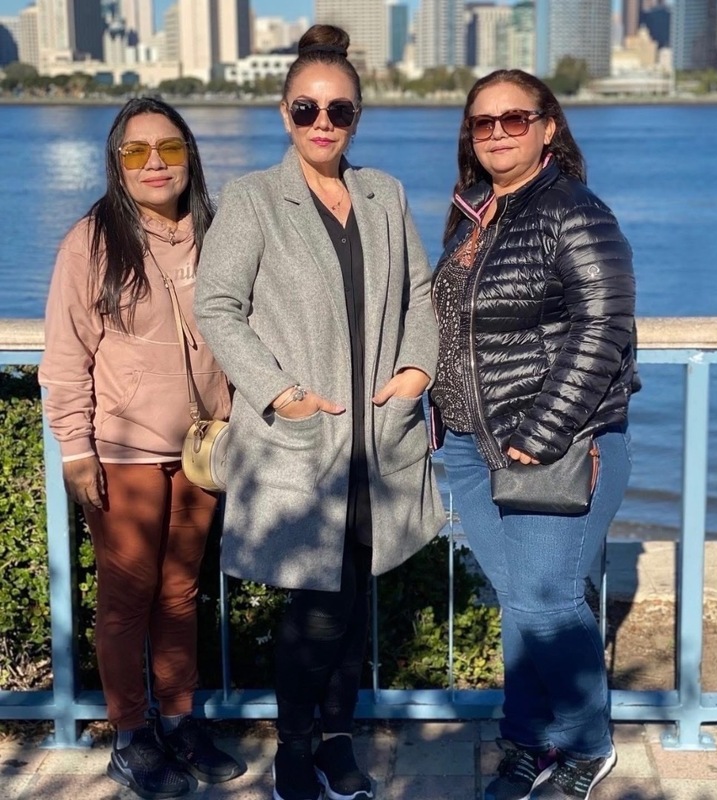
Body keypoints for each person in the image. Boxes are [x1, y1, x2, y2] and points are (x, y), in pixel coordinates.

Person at [193, 24, 445, 800]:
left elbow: (421, 294)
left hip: (378, 439)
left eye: (339, 110)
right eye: (307, 108)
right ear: (285, 112)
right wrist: (279, 392)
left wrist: (416, 370)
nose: (323, 122)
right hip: (304, 439)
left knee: (355, 599)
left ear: (358, 115)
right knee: (316, 608)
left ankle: (338, 741)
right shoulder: (252, 199)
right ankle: (295, 750)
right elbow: (217, 305)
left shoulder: (384, 194)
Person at [430, 70, 638, 800]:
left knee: (546, 598)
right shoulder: (474, 212)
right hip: (468, 445)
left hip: (553, 446)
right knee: (519, 597)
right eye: (482, 122)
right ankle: (527, 738)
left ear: (548, 127)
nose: (497, 133)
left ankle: (586, 743)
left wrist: (545, 430)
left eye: (514, 119)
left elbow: (604, 326)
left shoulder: (575, 211)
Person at [38, 97, 244, 799]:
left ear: (190, 156)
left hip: (203, 449)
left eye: (170, 147)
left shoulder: (217, 233)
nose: (155, 163)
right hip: (122, 451)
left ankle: (180, 722)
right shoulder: (91, 243)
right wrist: (75, 450)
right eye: (136, 151)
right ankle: (131, 736)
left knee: (181, 593)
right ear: (116, 163)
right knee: (127, 599)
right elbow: (65, 358)